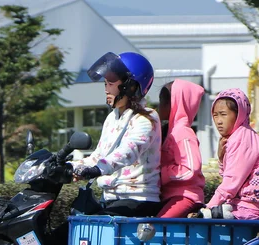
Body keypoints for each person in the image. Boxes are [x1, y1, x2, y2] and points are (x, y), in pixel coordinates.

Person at [72, 52, 162, 217]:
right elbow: (99, 156)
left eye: (112, 82)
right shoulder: (112, 118)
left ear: (131, 86)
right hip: (111, 198)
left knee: (91, 230)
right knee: (69, 229)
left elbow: (128, 151)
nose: (106, 88)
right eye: (105, 82)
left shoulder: (146, 118)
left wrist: (98, 169)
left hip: (138, 199)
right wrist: (69, 166)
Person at [200, 88, 259, 220]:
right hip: (253, 206)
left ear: (239, 115)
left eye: (223, 114)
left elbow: (231, 182)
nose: (219, 121)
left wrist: (208, 207)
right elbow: (232, 176)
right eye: (215, 115)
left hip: (250, 209)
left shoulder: (242, 138)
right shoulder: (245, 135)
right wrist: (221, 158)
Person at [156, 79, 206, 218]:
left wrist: (162, 174)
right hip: (171, 196)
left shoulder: (183, 132)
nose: (159, 106)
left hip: (186, 196)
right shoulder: (171, 131)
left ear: (175, 103)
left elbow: (190, 169)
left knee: (155, 228)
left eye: (162, 101)